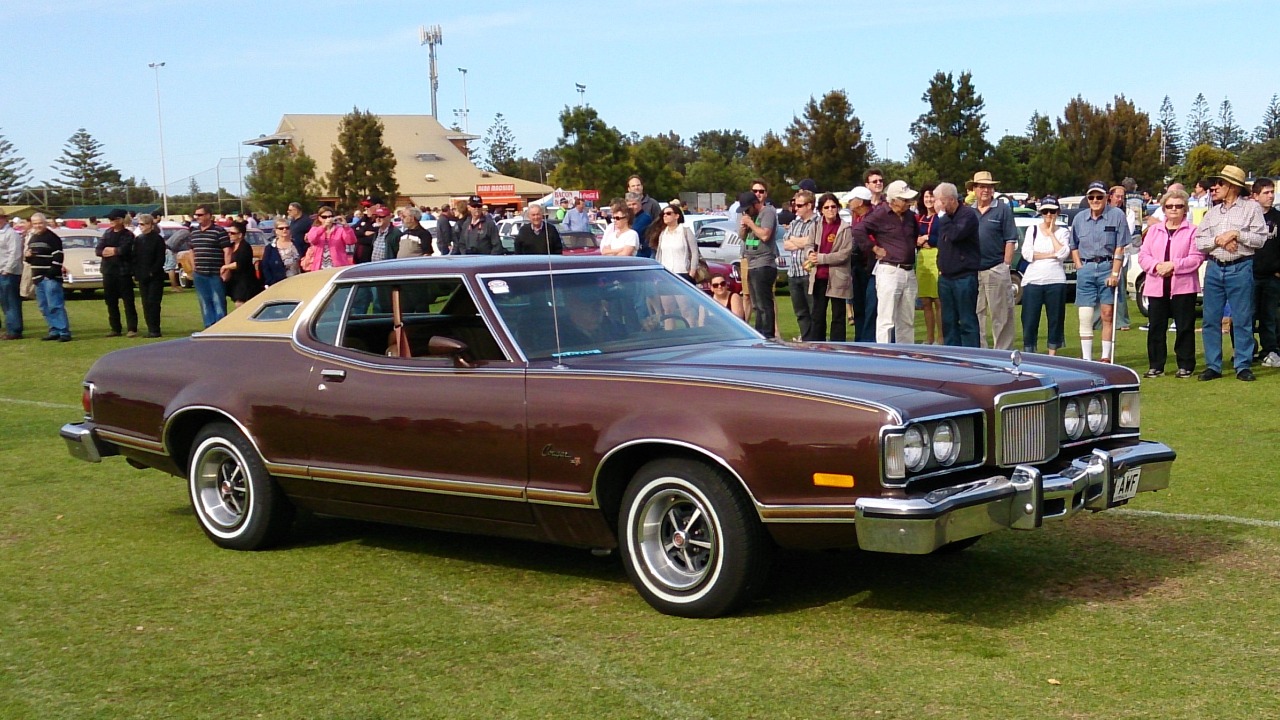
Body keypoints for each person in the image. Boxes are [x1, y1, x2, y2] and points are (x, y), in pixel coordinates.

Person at [1194, 165, 1269, 381]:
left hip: (1241, 267)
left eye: (1220, 183)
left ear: (1233, 187)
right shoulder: (1212, 213)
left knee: (1242, 318)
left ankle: (1243, 365)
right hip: (1215, 268)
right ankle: (1213, 366)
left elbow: (1260, 239)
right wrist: (1219, 240)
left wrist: (1237, 234)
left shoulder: (1251, 209)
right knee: (1210, 319)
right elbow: (1200, 241)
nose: (1214, 187)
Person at [1138, 189, 1205, 378]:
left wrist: (1173, 265)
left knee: (1184, 327)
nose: (1174, 209)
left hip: (1183, 287)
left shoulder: (1193, 231)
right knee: (1156, 327)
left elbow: (1196, 257)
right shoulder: (1153, 231)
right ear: (1164, 209)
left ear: (1185, 209)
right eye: (1170, 206)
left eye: (1178, 206)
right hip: (1156, 285)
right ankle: (1156, 365)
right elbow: (1143, 255)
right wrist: (1156, 266)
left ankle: (1185, 365)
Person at [1069, 181, 1131, 362]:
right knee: (1085, 315)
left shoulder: (1117, 215)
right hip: (1086, 268)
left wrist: (1114, 273)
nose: (1095, 200)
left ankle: (1105, 357)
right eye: (1091, 197)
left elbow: (1120, 246)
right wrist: (1079, 266)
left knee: (1107, 314)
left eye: (1099, 196)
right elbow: (1073, 245)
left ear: (1106, 197)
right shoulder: (1079, 218)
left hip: (1107, 267)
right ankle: (1087, 358)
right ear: (1087, 199)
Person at [852, 180, 919, 343]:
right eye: (904, 200)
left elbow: (914, 236)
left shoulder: (910, 216)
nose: (908, 203)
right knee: (886, 319)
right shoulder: (881, 213)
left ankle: (906, 356)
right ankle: (886, 355)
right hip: (889, 270)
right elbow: (859, 230)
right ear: (894, 200)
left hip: (909, 271)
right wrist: (873, 248)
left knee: (907, 320)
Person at [966, 171, 1017, 349]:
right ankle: (980, 354)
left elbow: (1010, 239)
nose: (985, 190)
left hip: (996, 268)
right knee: (976, 314)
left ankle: (1003, 355)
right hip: (973, 271)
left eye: (989, 186)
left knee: (1001, 315)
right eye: (981, 186)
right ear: (974, 189)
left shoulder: (1003, 209)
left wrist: (1006, 266)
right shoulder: (968, 211)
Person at [930, 183, 981, 347]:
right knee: (948, 322)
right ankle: (952, 357)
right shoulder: (944, 218)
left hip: (964, 277)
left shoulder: (967, 215)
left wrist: (942, 216)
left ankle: (972, 356)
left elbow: (955, 234)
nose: (938, 205)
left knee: (967, 321)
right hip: (946, 277)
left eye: (941, 201)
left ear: (951, 200)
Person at [1019, 197, 1070, 355]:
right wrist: (1050, 255)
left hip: (1056, 280)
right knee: (1029, 320)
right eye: (1045, 211)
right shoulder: (1032, 230)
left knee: (1055, 319)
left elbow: (1063, 253)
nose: (1048, 215)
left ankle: (1052, 355)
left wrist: (1051, 234)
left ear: (1057, 212)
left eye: (1052, 211)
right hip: (1033, 280)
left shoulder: (1063, 231)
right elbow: (1027, 254)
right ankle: (1030, 354)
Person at [806, 193, 853, 341]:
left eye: (833, 206)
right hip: (819, 276)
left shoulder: (845, 228)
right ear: (821, 210)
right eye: (826, 207)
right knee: (818, 315)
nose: (830, 210)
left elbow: (844, 254)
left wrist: (821, 258)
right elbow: (809, 244)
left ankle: (838, 348)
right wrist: (810, 253)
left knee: (838, 315)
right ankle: (816, 346)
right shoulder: (816, 225)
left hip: (838, 277)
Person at [738, 182, 779, 338]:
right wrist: (744, 227)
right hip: (751, 262)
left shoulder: (767, 213)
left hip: (764, 263)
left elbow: (765, 235)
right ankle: (758, 333)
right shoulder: (751, 217)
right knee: (756, 305)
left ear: (754, 204)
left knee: (764, 304)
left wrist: (751, 224)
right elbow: (743, 238)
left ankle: (768, 335)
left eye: (747, 208)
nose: (746, 212)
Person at [24, 213, 71, 341]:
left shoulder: (52, 237)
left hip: (50, 277)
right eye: (35, 223)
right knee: (44, 306)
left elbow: (58, 257)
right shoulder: (33, 238)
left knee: (55, 304)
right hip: (37, 277)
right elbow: (30, 259)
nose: (38, 226)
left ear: (45, 223)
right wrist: (28, 257)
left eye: (40, 223)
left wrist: (49, 274)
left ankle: (63, 331)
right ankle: (53, 329)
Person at [1250, 178, 1280, 368]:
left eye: (1272, 192)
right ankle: (1245, 351)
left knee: (1270, 318)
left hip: (1272, 276)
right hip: (1249, 274)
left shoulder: (1278, 218)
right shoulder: (1249, 217)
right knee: (1246, 317)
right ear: (1255, 196)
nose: (1270, 196)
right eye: (1266, 193)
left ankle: (1270, 351)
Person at [782, 186, 819, 340]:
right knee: (800, 313)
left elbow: (813, 241)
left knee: (813, 311)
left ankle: (816, 341)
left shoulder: (818, 222)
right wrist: (802, 242)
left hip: (809, 274)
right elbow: (785, 243)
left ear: (809, 205)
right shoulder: (795, 223)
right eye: (794, 205)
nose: (795, 208)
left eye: (799, 205)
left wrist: (796, 241)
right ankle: (806, 339)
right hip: (794, 273)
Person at [97, 208, 139, 337]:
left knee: (128, 301)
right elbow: (99, 250)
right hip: (108, 272)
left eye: (113, 219)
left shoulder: (128, 235)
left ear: (120, 220)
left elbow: (124, 250)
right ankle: (115, 328)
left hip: (123, 272)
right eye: (109, 219)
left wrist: (113, 251)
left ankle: (132, 328)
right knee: (111, 301)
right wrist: (112, 251)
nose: (110, 221)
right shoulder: (107, 233)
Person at [844, 186, 876, 341]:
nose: (849, 203)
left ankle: (868, 341)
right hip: (857, 267)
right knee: (859, 308)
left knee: (870, 309)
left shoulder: (873, 218)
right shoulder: (856, 217)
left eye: (852, 200)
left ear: (860, 202)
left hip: (870, 268)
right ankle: (859, 340)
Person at [131, 214, 167, 337]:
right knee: (145, 302)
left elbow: (160, 258)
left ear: (150, 225)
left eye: (142, 224)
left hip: (155, 276)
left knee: (153, 302)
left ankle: (155, 329)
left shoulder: (158, 239)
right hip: (142, 276)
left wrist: (152, 271)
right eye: (139, 224)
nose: (140, 227)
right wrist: (136, 273)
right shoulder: (138, 239)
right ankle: (150, 328)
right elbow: (135, 257)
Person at [915, 185, 942, 345]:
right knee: (925, 301)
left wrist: (927, 239)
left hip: (937, 257)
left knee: (938, 301)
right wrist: (918, 240)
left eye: (931, 196)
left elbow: (942, 237)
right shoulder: (918, 218)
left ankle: (941, 337)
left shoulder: (941, 217)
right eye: (926, 197)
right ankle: (929, 337)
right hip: (922, 259)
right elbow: (912, 237)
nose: (929, 200)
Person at [650, 203, 698, 281]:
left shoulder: (685, 231)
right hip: (666, 274)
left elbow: (694, 252)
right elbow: (659, 254)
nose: (665, 216)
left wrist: (692, 272)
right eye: (663, 214)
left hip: (683, 273)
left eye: (668, 213)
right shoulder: (663, 234)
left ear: (677, 216)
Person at [222, 221, 263, 308]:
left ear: (240, 235)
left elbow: (240, 263)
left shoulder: (245, 247)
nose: (230, 235)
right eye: (229, 232)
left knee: (240, 304)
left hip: (245, 281)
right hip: (235, 280)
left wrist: (225, 267)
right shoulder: (231, 245)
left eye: (232, 233)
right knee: (238, 303)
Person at [304, 205, 355, 271]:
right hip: (319, 267)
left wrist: (346, 226)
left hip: (337, 266)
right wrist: (323, 227)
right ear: (319, 218)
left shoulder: (340, 229)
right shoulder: (315, 229)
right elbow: (312, 239)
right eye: (324, 217)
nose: (328, 219)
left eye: (330, 216)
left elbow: (351, 241)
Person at [0, 209, 23, 339]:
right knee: (5, 303)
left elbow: (15, 254)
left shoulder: (11, 234)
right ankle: (10, 328)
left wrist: (7, 269)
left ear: (4, 219)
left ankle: (14, 330)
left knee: (11, 302)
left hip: (9, 273)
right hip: (2, 271)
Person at [260, 219, 301, 287]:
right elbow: (265, 267)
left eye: (287, 228)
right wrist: (270, 281)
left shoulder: (297, 244)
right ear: (276, 231)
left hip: (297, 282)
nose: (284, 230)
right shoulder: (270, 248)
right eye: (281, 228)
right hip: (278, 284)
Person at [625, 192, 654, 258]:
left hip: (642, 253)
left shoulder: (645, 217)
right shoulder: (628, 218)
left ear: (640, 203)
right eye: (629, 205)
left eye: (634, 204)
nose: (632, 207)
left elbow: (632, 232)